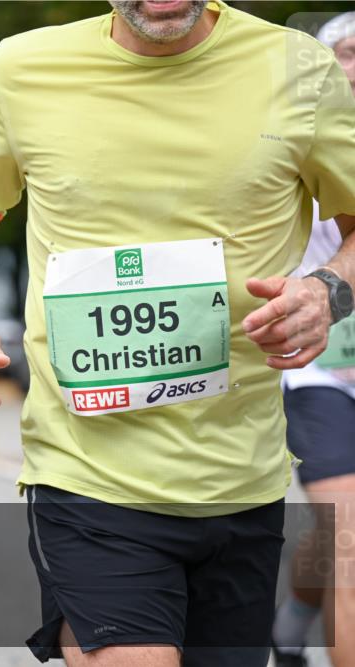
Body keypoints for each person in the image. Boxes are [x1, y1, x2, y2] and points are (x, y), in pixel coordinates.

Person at [0, 2, 355, 666]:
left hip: (241, 478)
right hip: (88, 475)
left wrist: (329, 290)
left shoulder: (299, 69)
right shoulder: (24, 68)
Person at [272, 12, 355, 667]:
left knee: (333, 536)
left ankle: (291, 621)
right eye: (349, 53)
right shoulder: (297, 136)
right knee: (350, 530)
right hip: (317, 368)